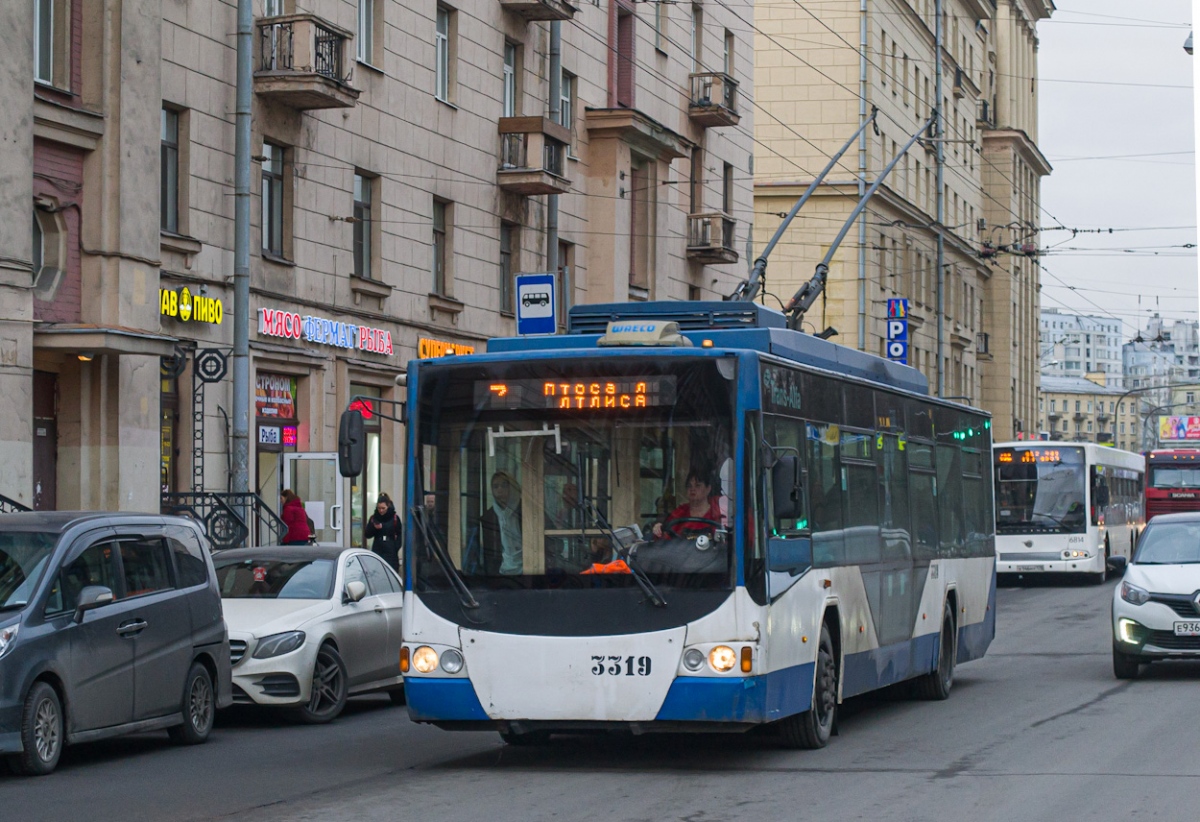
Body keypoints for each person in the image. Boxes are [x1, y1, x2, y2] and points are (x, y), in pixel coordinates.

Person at [651, 469, 724, 539]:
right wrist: (659, 530)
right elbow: (666, 539)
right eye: (689, 486)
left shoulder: (717, 512)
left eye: (697, 485)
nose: (692, 489)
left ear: (708, 489)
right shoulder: (679, 512)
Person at [480, 471, 522, 575]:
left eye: (504, 485)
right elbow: (489, 554)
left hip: (530, 570)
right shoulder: (489, 517)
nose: (500, 490)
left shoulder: (527, 511)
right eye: (495, 487)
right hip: (501, 573)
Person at [365, 493, 402, 570]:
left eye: (383, 508)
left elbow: (400, 534)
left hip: (391, 550)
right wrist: (374, 527)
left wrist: (395, 547)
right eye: (379, 508)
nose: (381, 510)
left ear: (388, 506)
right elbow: (367, 534)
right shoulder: (374, 518)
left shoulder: (394, 518)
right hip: (377, 549)